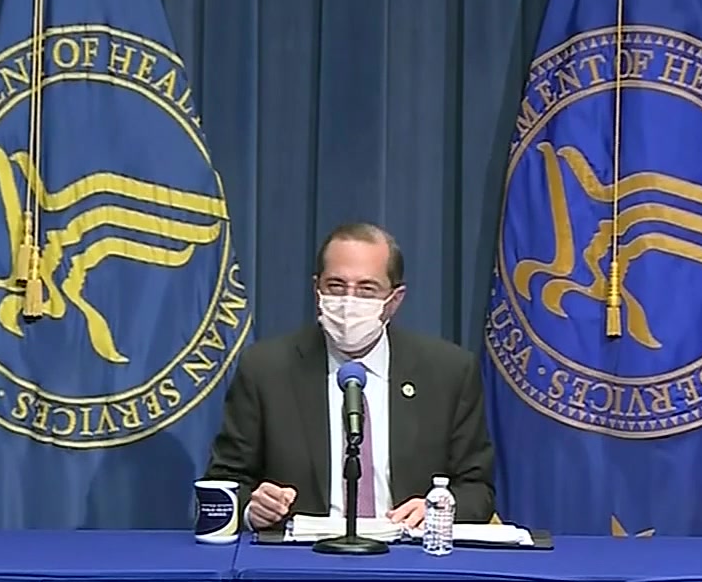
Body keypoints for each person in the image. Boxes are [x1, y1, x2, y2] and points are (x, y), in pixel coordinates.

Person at [203, 221, 495, 531]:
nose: (348, 301)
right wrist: (252, 508)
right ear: (317, 291)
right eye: (336, 286)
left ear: (394, 300)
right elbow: (224, 484)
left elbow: (477, 491)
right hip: (301, 562)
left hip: (408, 559)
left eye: (367, 289)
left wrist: (438, 506)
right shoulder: (266, 369)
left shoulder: (448, 372)